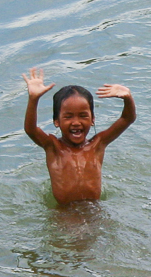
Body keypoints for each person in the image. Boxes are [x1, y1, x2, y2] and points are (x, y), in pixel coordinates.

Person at [21, 67, 136, 202]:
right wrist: (33, 99)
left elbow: (127, 119)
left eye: (83, 116)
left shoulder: (98, 144)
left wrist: (128, 98)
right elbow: (31, 129)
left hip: (95, 212)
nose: (76, 122)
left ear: (93, 119)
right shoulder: (53, 147)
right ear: (56, 121)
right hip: (63, 215)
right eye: (68, 116)